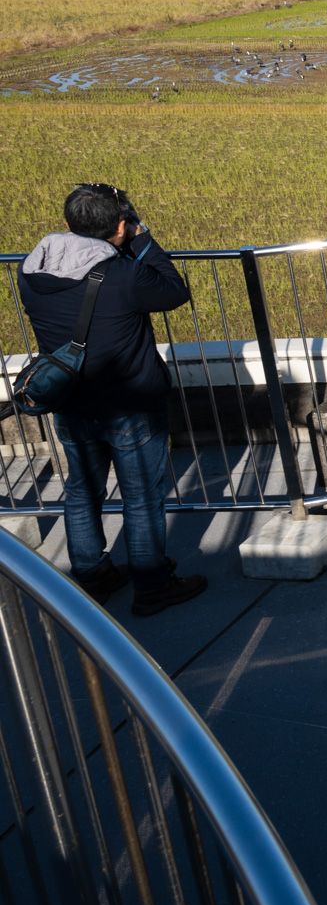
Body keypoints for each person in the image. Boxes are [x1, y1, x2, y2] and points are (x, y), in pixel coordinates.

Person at [19, 184, 208, 616]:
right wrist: (141, 237)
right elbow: (174, 291)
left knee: (82, 491)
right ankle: (153, 584)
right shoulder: (124, 276)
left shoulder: (31, 273)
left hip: (69, 402)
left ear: (66, 226)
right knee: (141, 497)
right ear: (119, 226)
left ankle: (91, 576)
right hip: (132, 403)